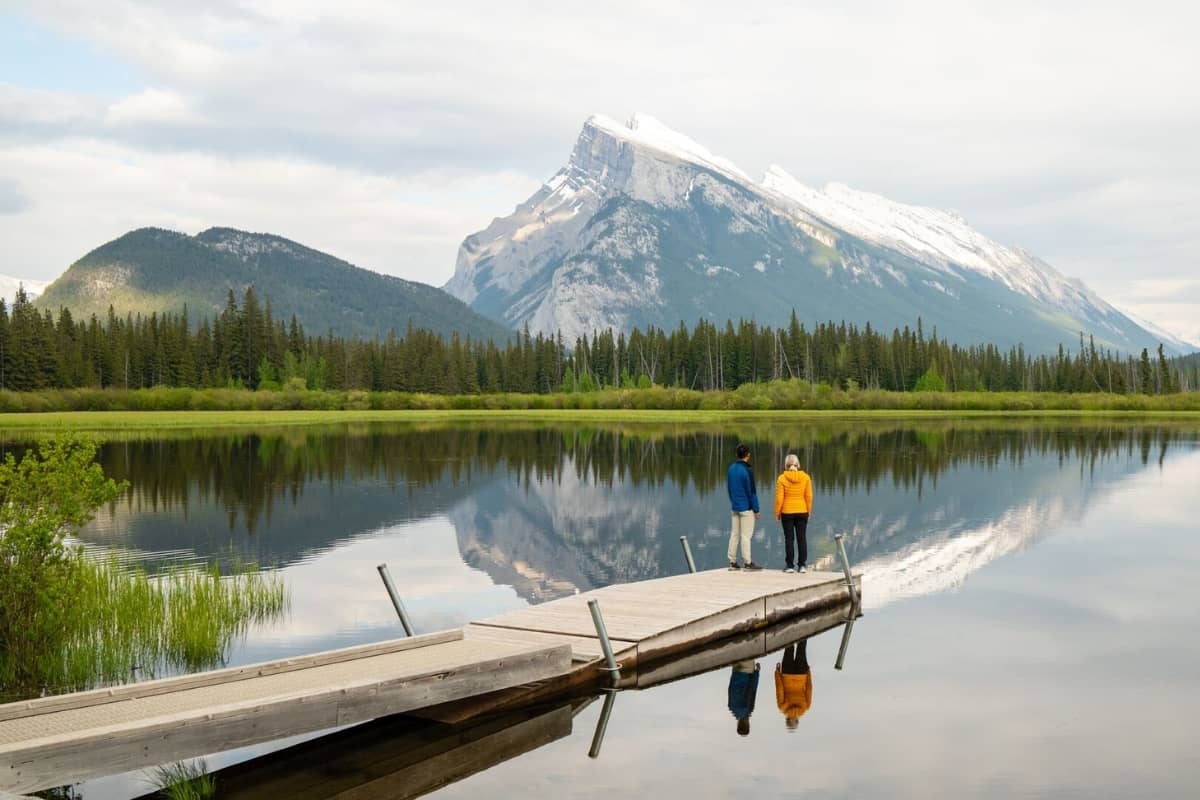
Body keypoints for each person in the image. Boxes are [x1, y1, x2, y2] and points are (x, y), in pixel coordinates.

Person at [773, 453, 813, 573]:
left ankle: (789, 566)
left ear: (786, 465)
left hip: (787, 512)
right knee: (802, 538)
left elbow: (779, 499)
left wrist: (777, 513)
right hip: (802, 511)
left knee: (789, 539)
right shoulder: (806, 477)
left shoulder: (782, 478)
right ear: (797, 464)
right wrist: (809, 511)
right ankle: (802, 566)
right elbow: (809, 496)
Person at [726, 444, 763, 570]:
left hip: (735, 507)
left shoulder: (731, 468)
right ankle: (747, 562)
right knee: (745, 536)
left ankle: (732, 562)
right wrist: (756, 509)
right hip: (746, 508)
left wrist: (733, 502)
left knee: (734, 534)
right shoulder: (747, 470)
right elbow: (751, 492)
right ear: (748, 455)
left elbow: (730, 489)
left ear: (737, 455)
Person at [775, 640, 813, 730]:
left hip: (801, 674)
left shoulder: (806, 707)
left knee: (801, 647)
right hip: (787, 674)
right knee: (789, 647)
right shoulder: (782, 707)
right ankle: (789, 628)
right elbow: (779, 688)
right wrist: (777, 673)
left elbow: (809, 688)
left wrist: (808, 672)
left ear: (797, 720)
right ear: (787, 719)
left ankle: (804, 628)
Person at [728, 659, 760, 736]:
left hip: (746, 672)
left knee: (748, 649)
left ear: (748, 725)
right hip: (735, 673)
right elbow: (730, 689)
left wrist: (757, 672)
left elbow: (752, 689)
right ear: (738, 725)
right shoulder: (731, 708)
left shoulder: (748, 709)